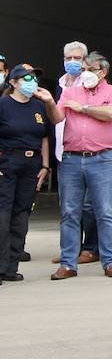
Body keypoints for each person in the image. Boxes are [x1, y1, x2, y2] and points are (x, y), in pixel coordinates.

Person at [51, 52, 112, 279]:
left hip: (101, 158)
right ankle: (68, 264)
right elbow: (56, 118)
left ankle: (111, 261)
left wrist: (83, 108)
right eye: (83, 69)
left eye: (89, 69)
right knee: (70, 212)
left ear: (103, 72)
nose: (85, 74)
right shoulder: (70, 92)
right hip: (72, 158)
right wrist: (47, 102)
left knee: (105, 212)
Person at [0, 64, 60, 282]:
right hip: (7, 162)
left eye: (34, 78)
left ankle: (10, 266)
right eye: (25, 78)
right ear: (13, 82)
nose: (31, 82)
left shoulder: (38, 106)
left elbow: (46, 134)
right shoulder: (4, 104)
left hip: (31, 164)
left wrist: (45, 166)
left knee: (21, 214)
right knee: (3, 215)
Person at [50, 40, 100, 266]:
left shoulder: (89, 82)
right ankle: (70, 249)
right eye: (68, 59)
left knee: (89, 206)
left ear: (85, 61)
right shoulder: (61, 84)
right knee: (68, 206)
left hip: (86, 151)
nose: (72, 62)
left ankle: (90, 248)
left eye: (77, 58)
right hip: (64, 152)